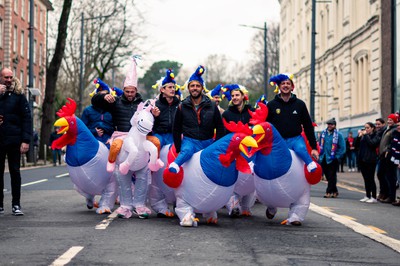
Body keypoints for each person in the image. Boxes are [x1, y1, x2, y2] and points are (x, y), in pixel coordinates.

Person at [168, 65, 225, 173]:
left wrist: (216, 144)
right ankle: (175, 164)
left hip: (208, 141)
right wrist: (178, 148)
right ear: (188, 88)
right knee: (187, 150)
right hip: (190, 141)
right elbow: (176, 129)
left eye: (197, 86)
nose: (195, 88)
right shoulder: (182, 106)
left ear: (202, 88)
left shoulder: (212, 105)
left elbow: (220, 127)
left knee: (212, 166)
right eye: (192, 85)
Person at [267, 73, 320, 174]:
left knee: (300, 149)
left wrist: (314, 147)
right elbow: (266, 127)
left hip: (296, 139)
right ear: (279, 87)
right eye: (283, 83)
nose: (285, 85)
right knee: (279, 166)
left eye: (288, 83)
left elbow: (308, 126)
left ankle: (310, 164)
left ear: (292, 87)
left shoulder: (300, 104)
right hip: (279, 141)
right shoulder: (271, 105)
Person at [0, 68, 32, 216]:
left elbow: (26, 118)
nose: (8, 80)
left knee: (15, 172)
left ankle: (16, 204)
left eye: (11, 77)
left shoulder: (19, 95)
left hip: (14, 139)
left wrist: (25, 140)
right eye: (6, 77)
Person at [221, 84, 255, 217]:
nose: (235, 98)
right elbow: (224, 133)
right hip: (235, 150)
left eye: (237, 95)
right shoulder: (228, 114)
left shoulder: (252, 111)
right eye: (233, 96)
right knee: (234, 177)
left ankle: (246, 206)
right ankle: (233, 205)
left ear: (243, 96)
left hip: (250, 150)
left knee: (250, 176)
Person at [81, 79, 115, 149]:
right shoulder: (88, 110)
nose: (104, 98)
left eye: (106, 95)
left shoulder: (112, 110)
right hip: (91, 143)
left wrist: (111, 137)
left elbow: (115, 128)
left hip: (108, 144)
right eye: (101, 95)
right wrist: (94, 131)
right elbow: (82, 129)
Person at [318, 118, 346, 198]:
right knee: (328, 176)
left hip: (333, 158)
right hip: (324, 157)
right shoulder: (323, 134)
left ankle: (328, 192)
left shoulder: (339, 135)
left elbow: (342, 148)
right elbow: (320, 144)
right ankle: (335, 191)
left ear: (334, 125)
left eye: (331, 124)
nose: (329, 126)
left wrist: (337, 156)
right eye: (328, 124)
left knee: (332, 175)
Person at [356, 122, 380, 203]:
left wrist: (365, 135)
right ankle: (367, 195)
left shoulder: (376, 135)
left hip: (370, 160)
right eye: (365, 128)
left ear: (372, 128)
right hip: (362, 160)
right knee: (366, 179)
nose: (366, 129)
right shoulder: (364, 136)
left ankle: (373, 197)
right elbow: (357, 146)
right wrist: (359, 137)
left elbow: (372, 144)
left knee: (371, 178)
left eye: (368, 128)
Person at [377, 114, 398, 203]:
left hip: (389, 155)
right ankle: (384, 193)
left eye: (391, 120)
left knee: (390, 177)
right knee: (381, 174)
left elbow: (392, 142)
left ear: (395, 121)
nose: (389, 121)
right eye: (388, 119)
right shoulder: (388, 129)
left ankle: (391, 196)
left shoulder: (394, 130)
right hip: (382, 155)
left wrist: (387, 149)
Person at [390, 122, 400, 206]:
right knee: (398, 181)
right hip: (396, 160)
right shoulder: (396, 134)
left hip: (399, 161)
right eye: (397, 125)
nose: (398, 127)